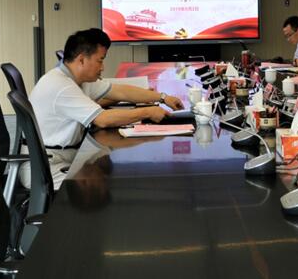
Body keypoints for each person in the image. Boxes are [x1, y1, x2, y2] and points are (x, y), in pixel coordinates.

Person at [22, 28, 185, 189]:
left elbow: (120, 91)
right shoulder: (61, 86)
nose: (103, 67)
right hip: (45, 167)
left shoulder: (77, 79)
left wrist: (163, 97)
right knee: (102, 183)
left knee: (107, 172)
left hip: (64, 154)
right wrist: (147, 112)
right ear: (81, 60)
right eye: (100, 60)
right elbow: (103, 120)